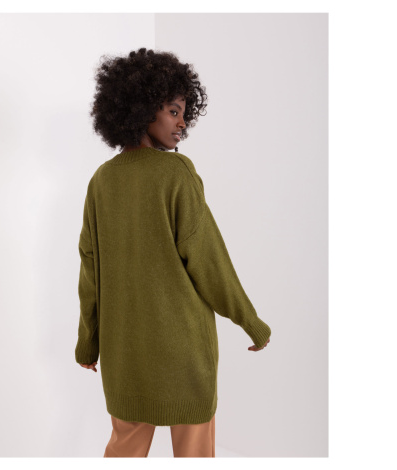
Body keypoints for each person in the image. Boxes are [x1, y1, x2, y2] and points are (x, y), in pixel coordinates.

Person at [75, 47, 271, 458]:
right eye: (173, 111)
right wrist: (251, 322)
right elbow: (209, 260)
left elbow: (91, 272)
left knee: (124, 450)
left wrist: (88, 343)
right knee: (195, 454)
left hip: (124, 355)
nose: (183, 123)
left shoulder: (101, 181)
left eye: (184, 113)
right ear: (142, 109)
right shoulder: (176, 173)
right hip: (184, 354)